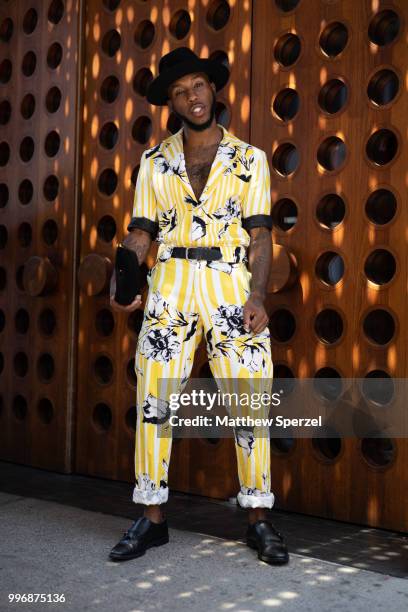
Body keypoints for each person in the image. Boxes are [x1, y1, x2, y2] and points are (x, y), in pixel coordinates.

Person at [108, 47, 289, 565]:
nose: (194, 97)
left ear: (214, 89)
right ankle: (151, 517)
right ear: (172, 102)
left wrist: (256, 296)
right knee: (154, 395)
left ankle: (258, 517)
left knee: (250, 393)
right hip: (172, 282)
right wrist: (125, 278)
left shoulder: (249, 159)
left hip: (232, 283)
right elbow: (141, 232)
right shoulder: (154, 161)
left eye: (200, 86)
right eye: (182, 91)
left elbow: (260, 234)